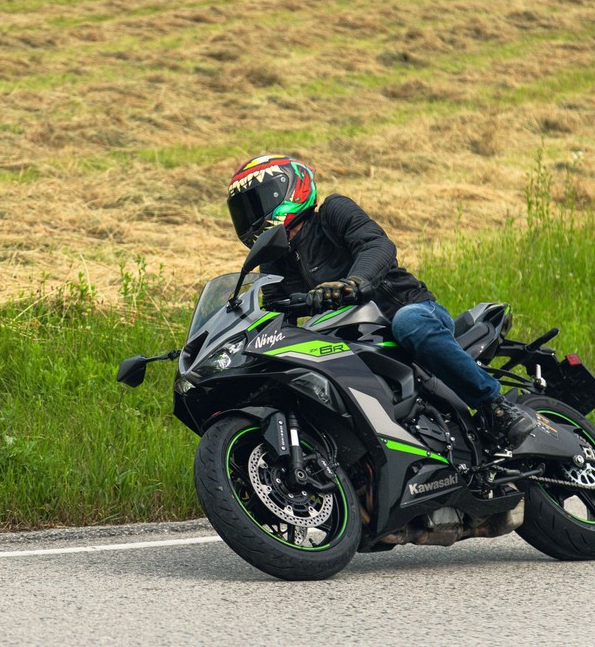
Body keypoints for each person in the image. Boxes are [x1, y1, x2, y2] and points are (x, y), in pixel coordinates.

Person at [226, 154, 535, 448]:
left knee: (409, 323)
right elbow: (273, 316)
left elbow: (376, 245)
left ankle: (496, 407)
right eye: (244, 209)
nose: (252, 215)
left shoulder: (333, 212)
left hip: (408, 311)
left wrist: (354, 282)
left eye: (258, 201)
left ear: (291, 189)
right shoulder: (275, 260)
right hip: (351, 336)